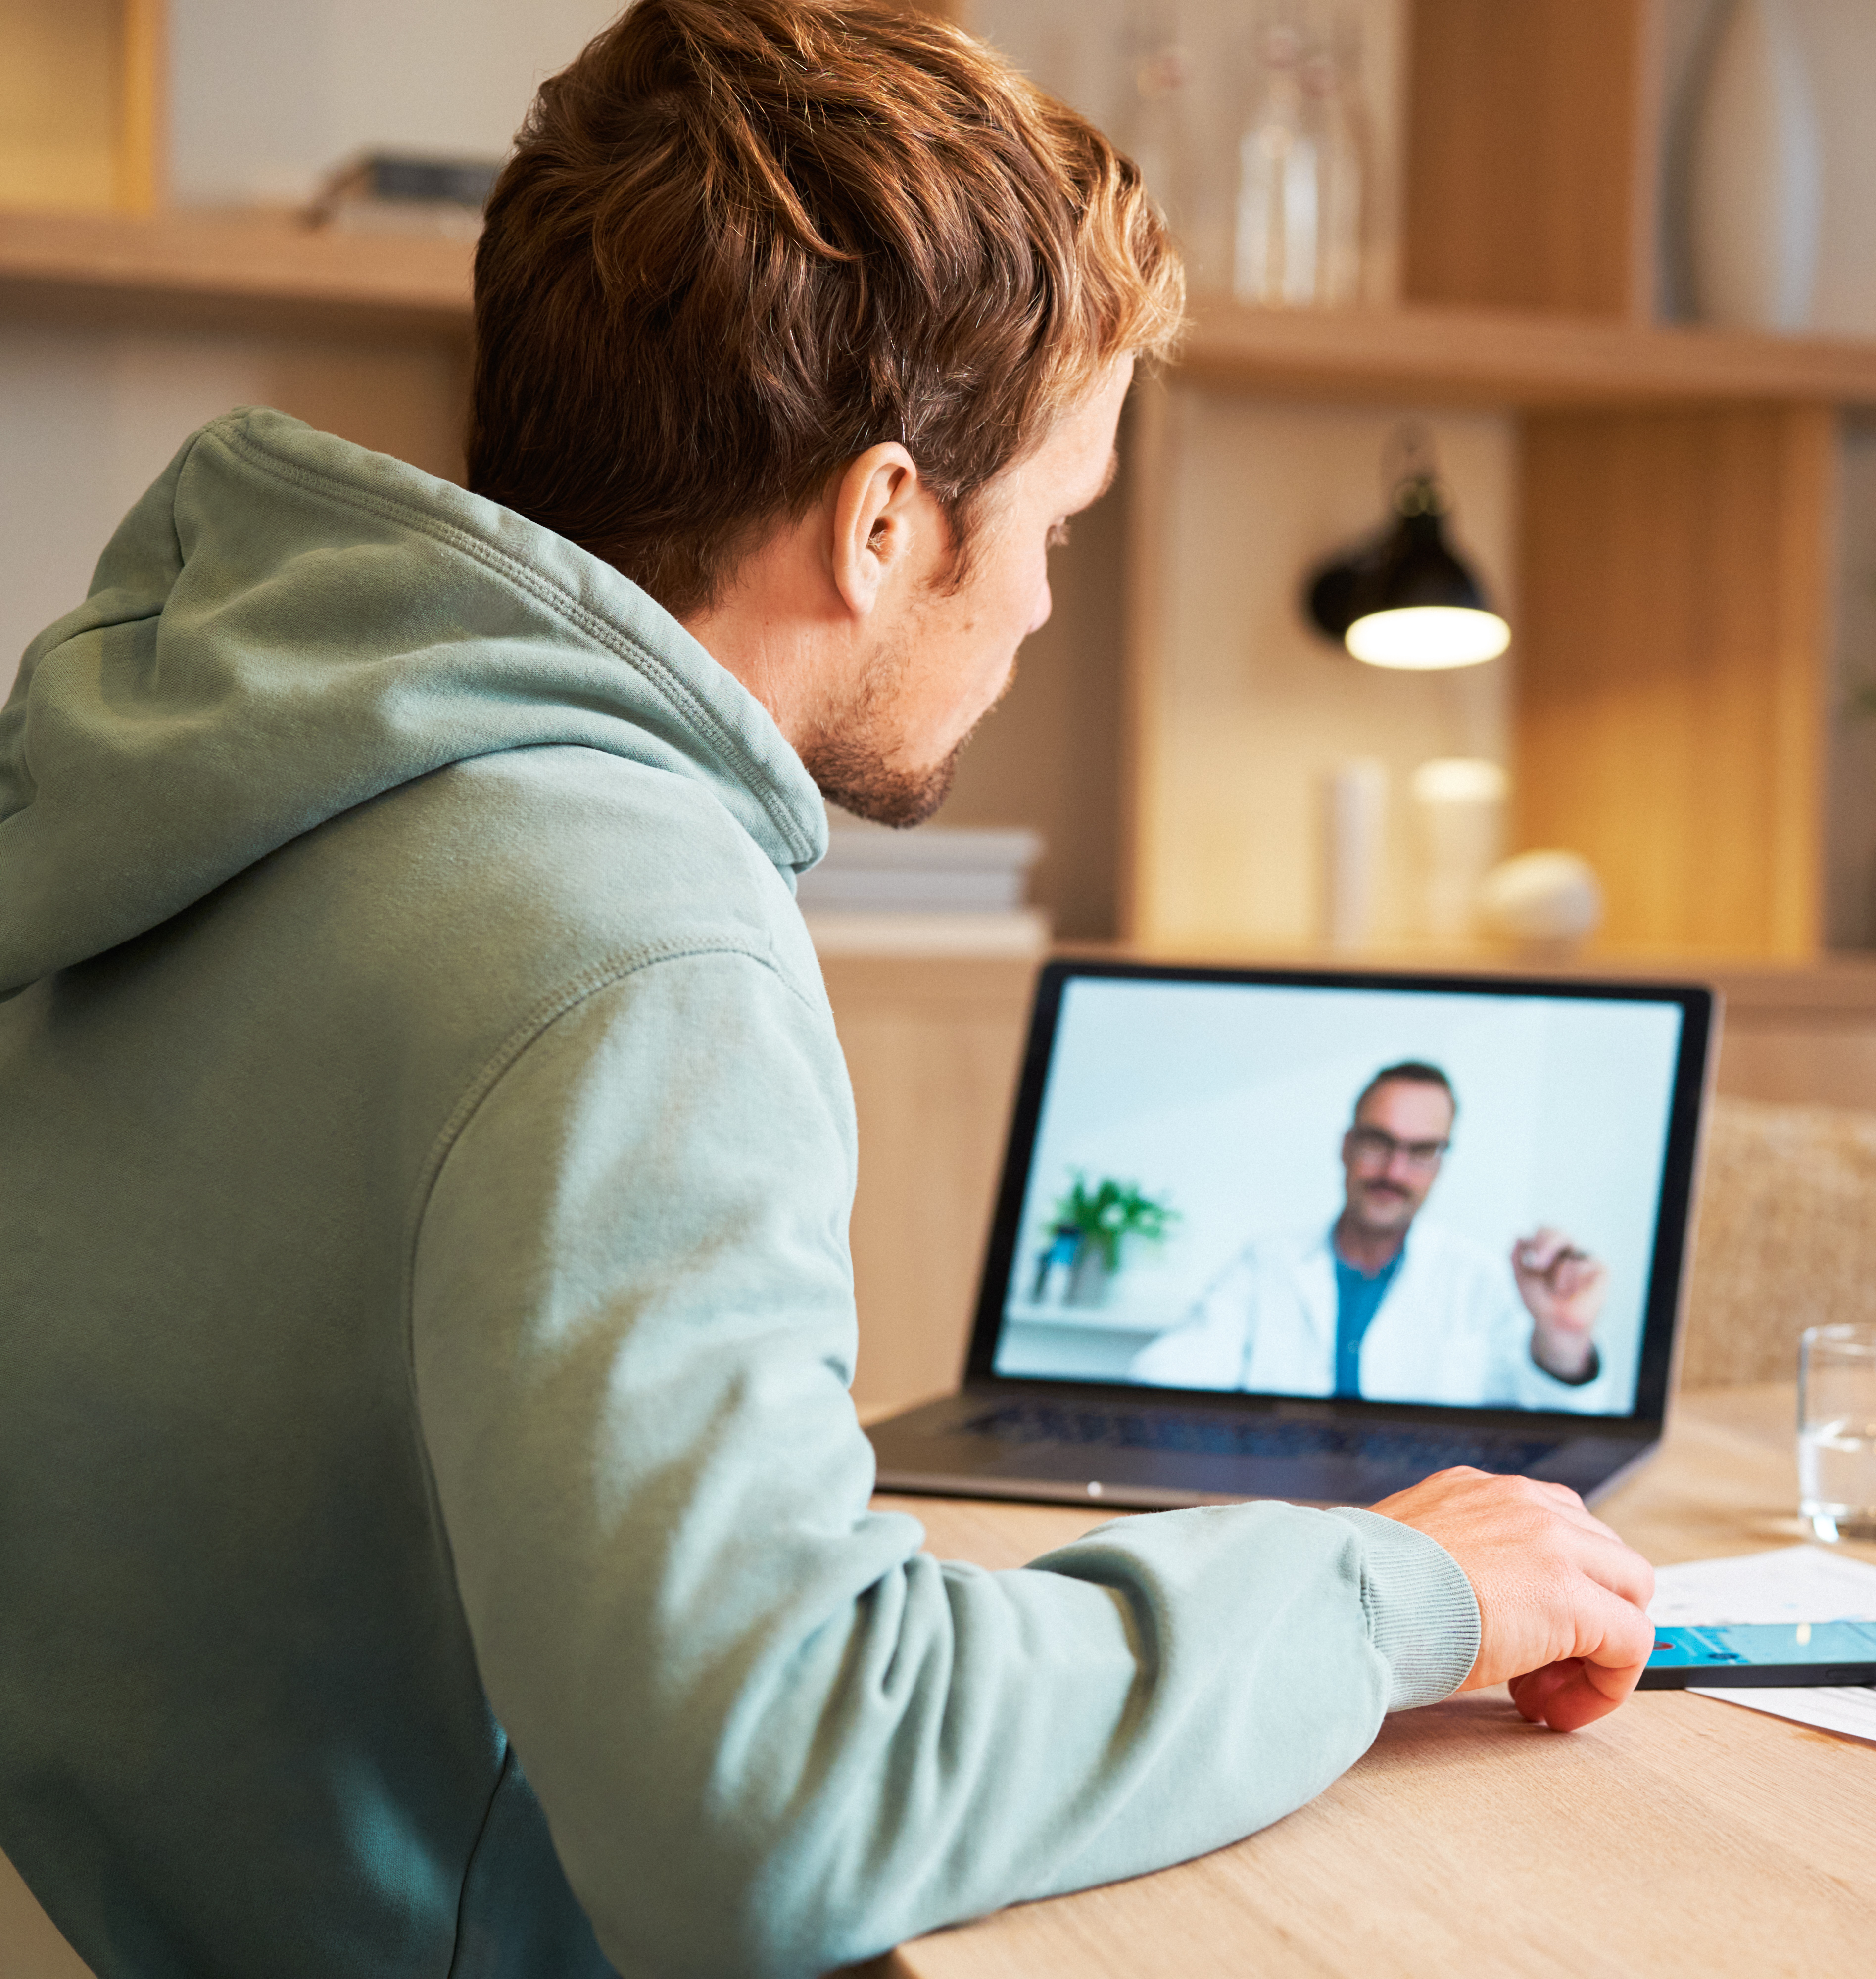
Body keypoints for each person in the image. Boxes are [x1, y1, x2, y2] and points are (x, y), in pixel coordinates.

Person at [0, 5, 1654, 1977]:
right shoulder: (631, 938)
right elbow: (779, 1804)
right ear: (883, 523)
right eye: (1052, 521)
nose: (1041, 596)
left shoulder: (227, 769)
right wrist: (1391, 1595)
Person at [1132, 1061, 1622, 1409]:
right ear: (1347, 1146)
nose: (1393, 1171)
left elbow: (1550, 1436)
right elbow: (1165, 1376)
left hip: (1422, 1521)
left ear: (1439, 1165)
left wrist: (1563, 1337)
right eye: (1378, 1143)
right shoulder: (1266, 1264)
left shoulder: (1477, 1279)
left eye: (1421, 1151)